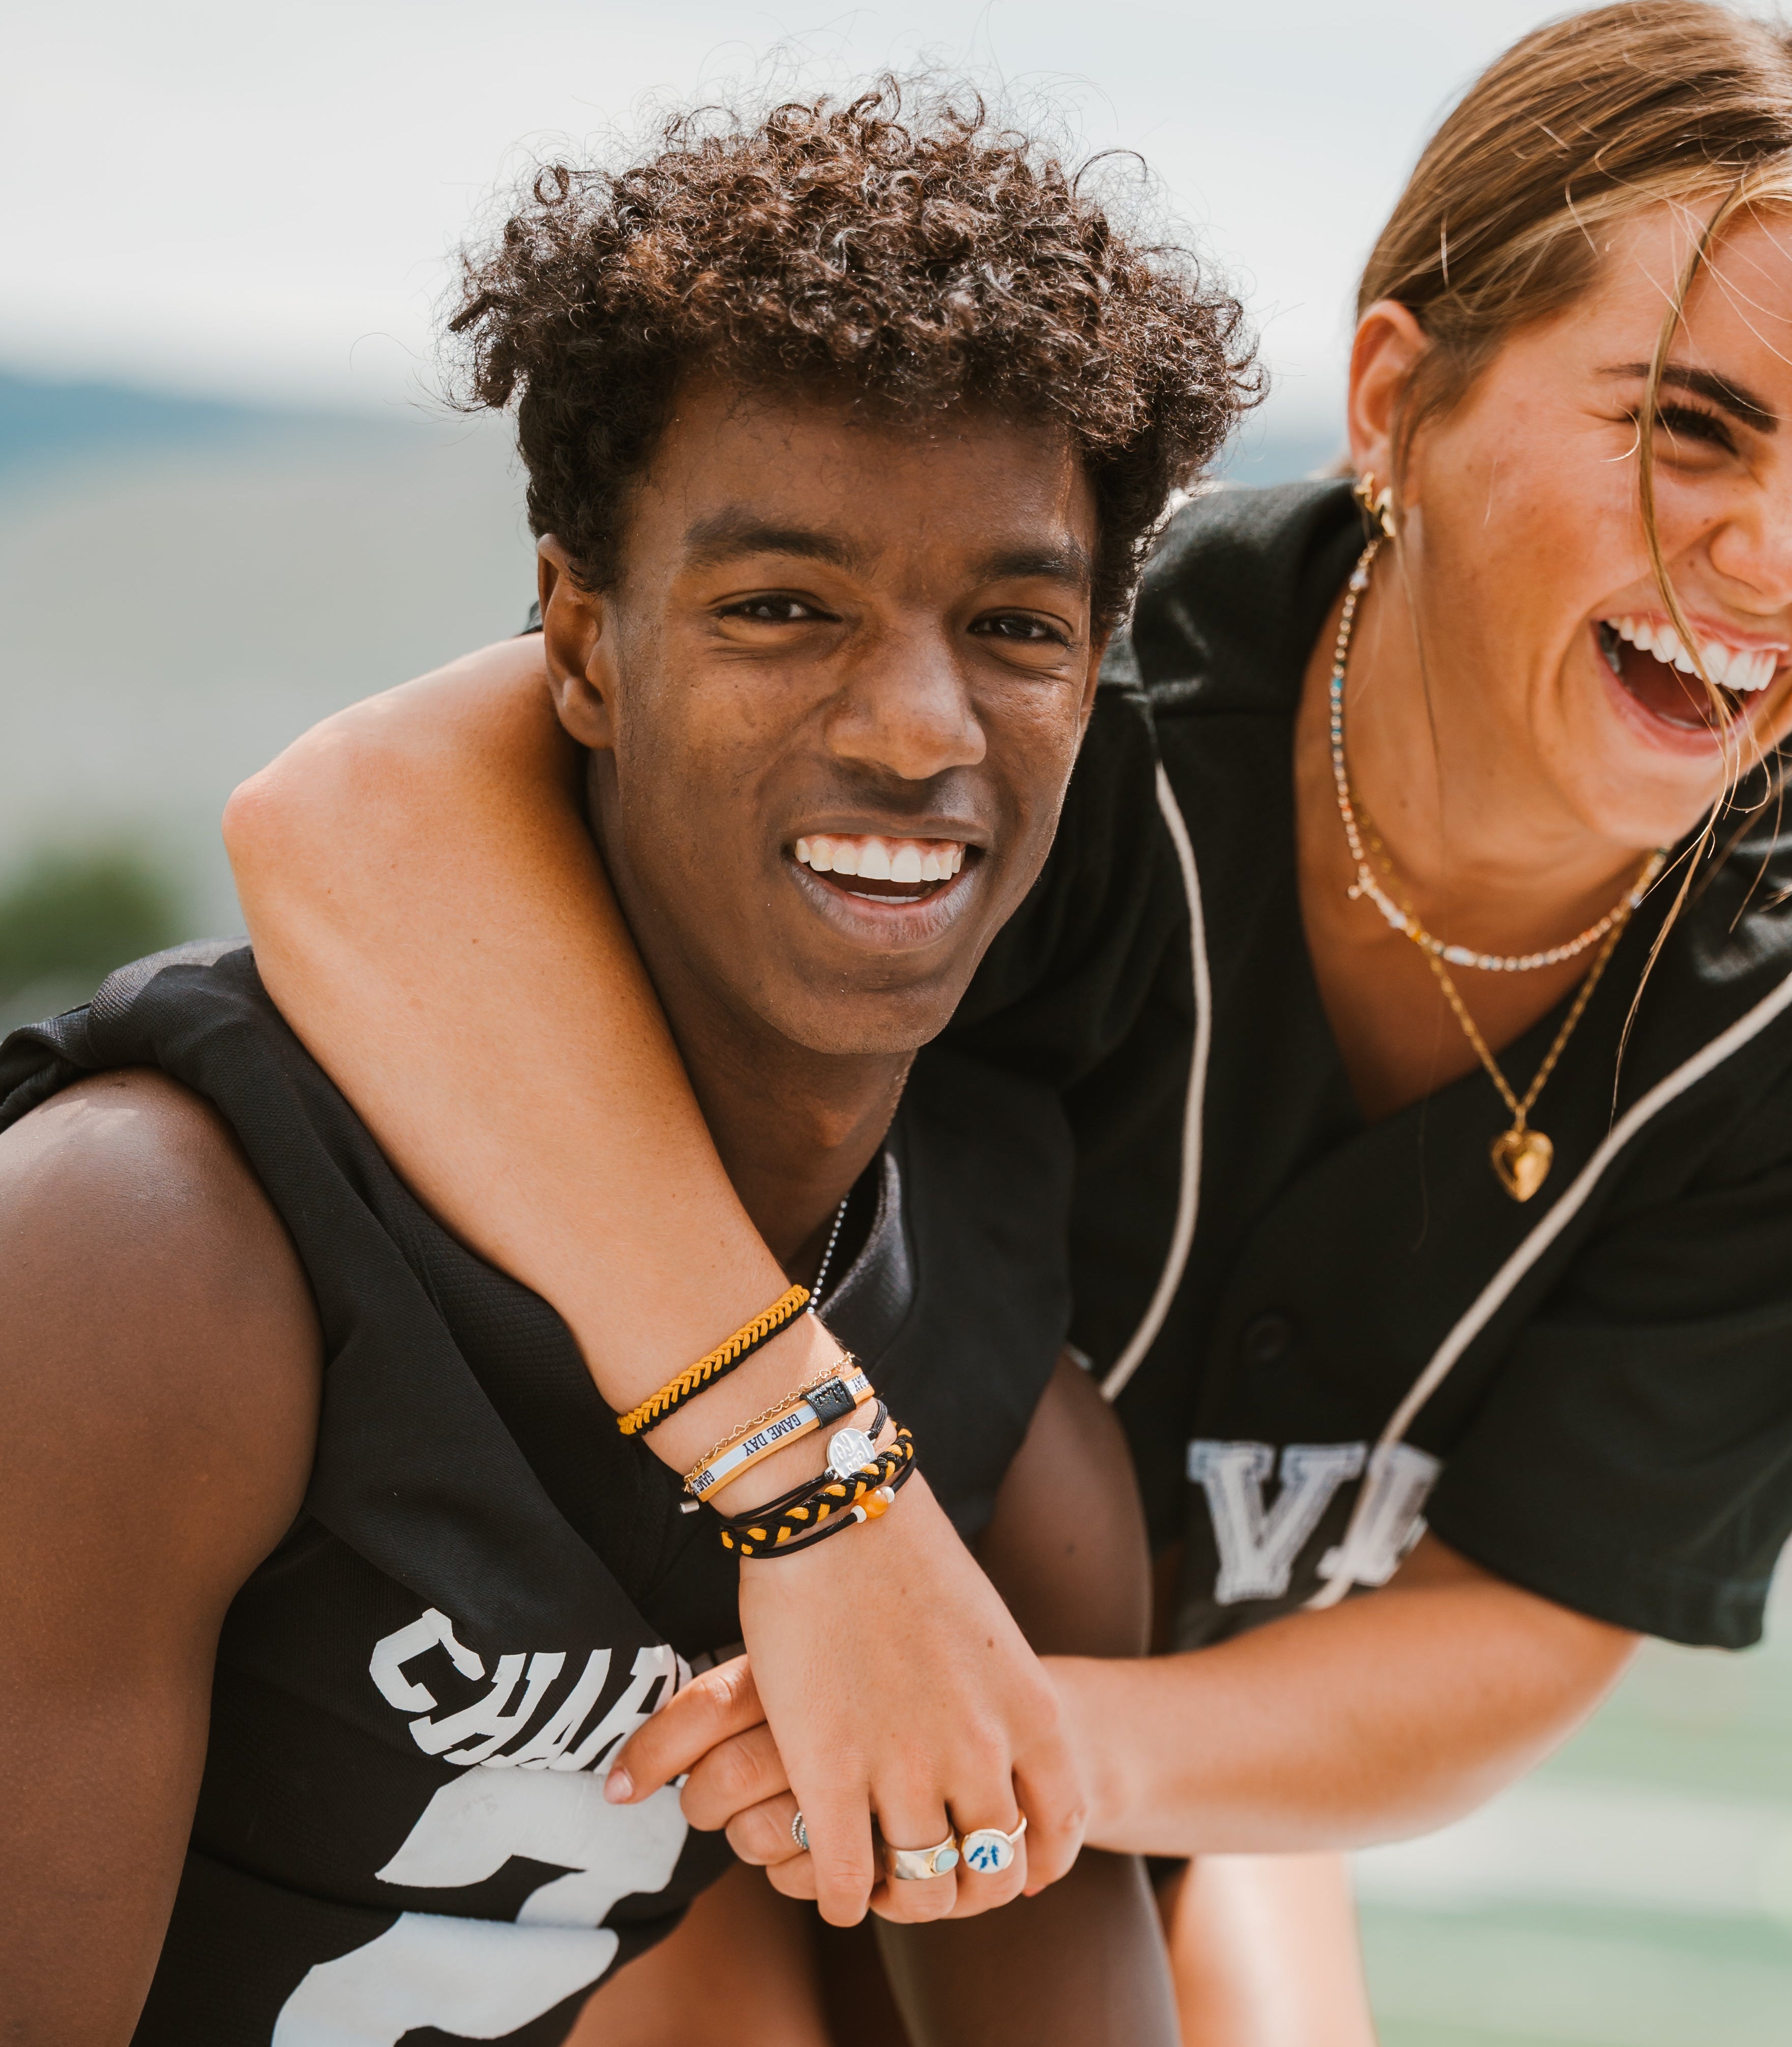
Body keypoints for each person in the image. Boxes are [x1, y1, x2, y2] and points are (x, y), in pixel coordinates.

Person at [226, 4, 1792, 2040]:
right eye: (1683, 427)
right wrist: (822, 1502)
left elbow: (1512, 1632)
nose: (1776, 555)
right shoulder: (1043, 689)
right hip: (645, 1693)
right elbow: (341, 820)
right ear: (1392, 398)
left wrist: (1024, 1737)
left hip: (1131, 1756)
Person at [0, 83, 1257, 2045]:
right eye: (782, 608)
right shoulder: (145, 1258)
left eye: (1018, 625)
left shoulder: (1003, 1454)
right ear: (581, 648)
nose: (921, 729)